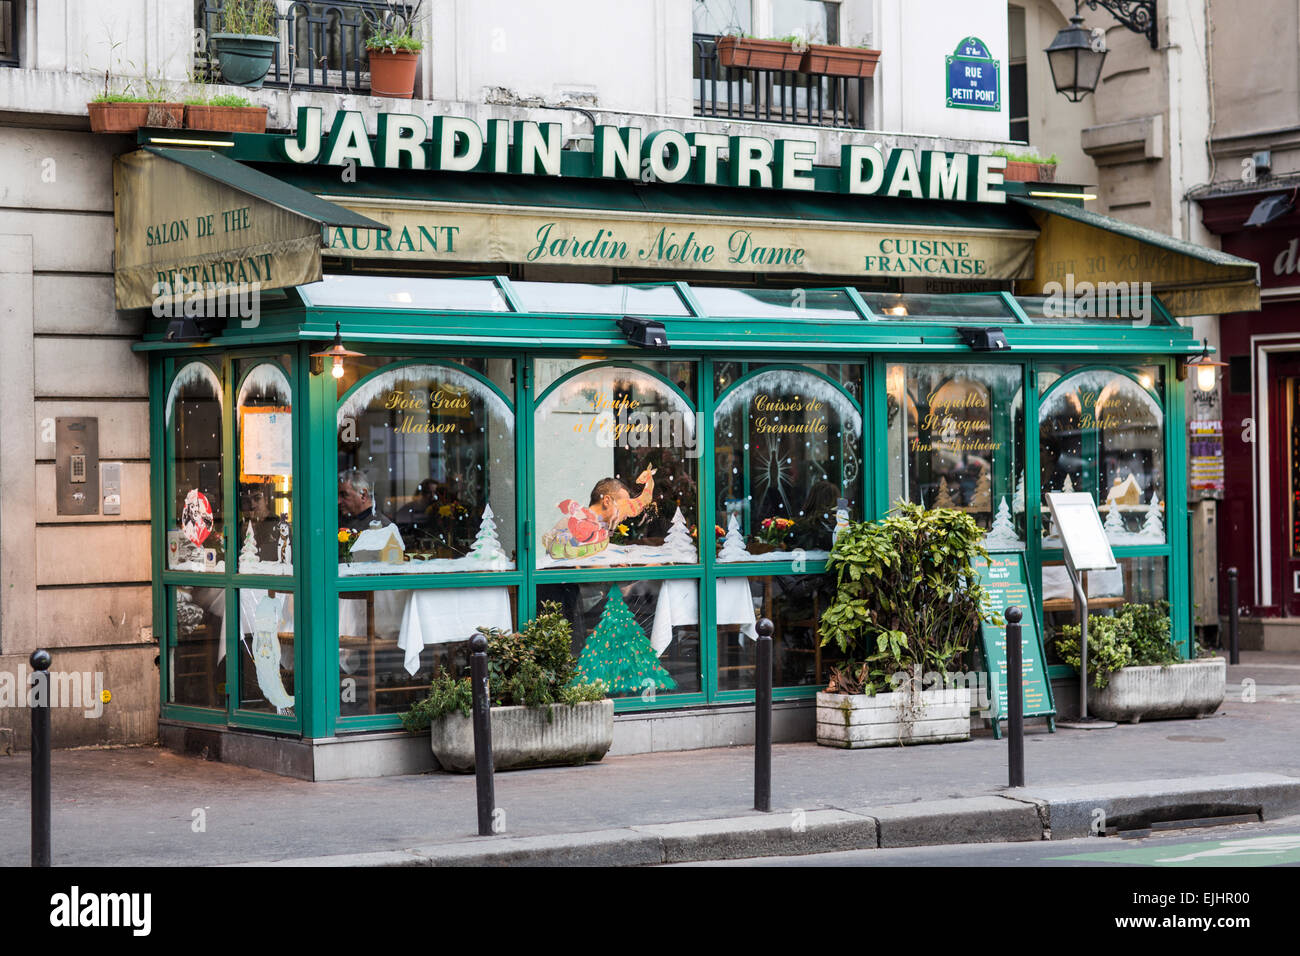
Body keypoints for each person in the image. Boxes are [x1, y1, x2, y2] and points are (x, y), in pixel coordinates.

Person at [542, 467, 655, 560]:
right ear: (607, 501)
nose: (626, 514)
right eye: (625, 505)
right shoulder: (569, 526)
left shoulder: (603, 531)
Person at [338, 468, 390, 534]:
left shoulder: (380, 526)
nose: (338, 501)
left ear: (363, 495)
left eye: (344, 495)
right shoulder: (345, 521)